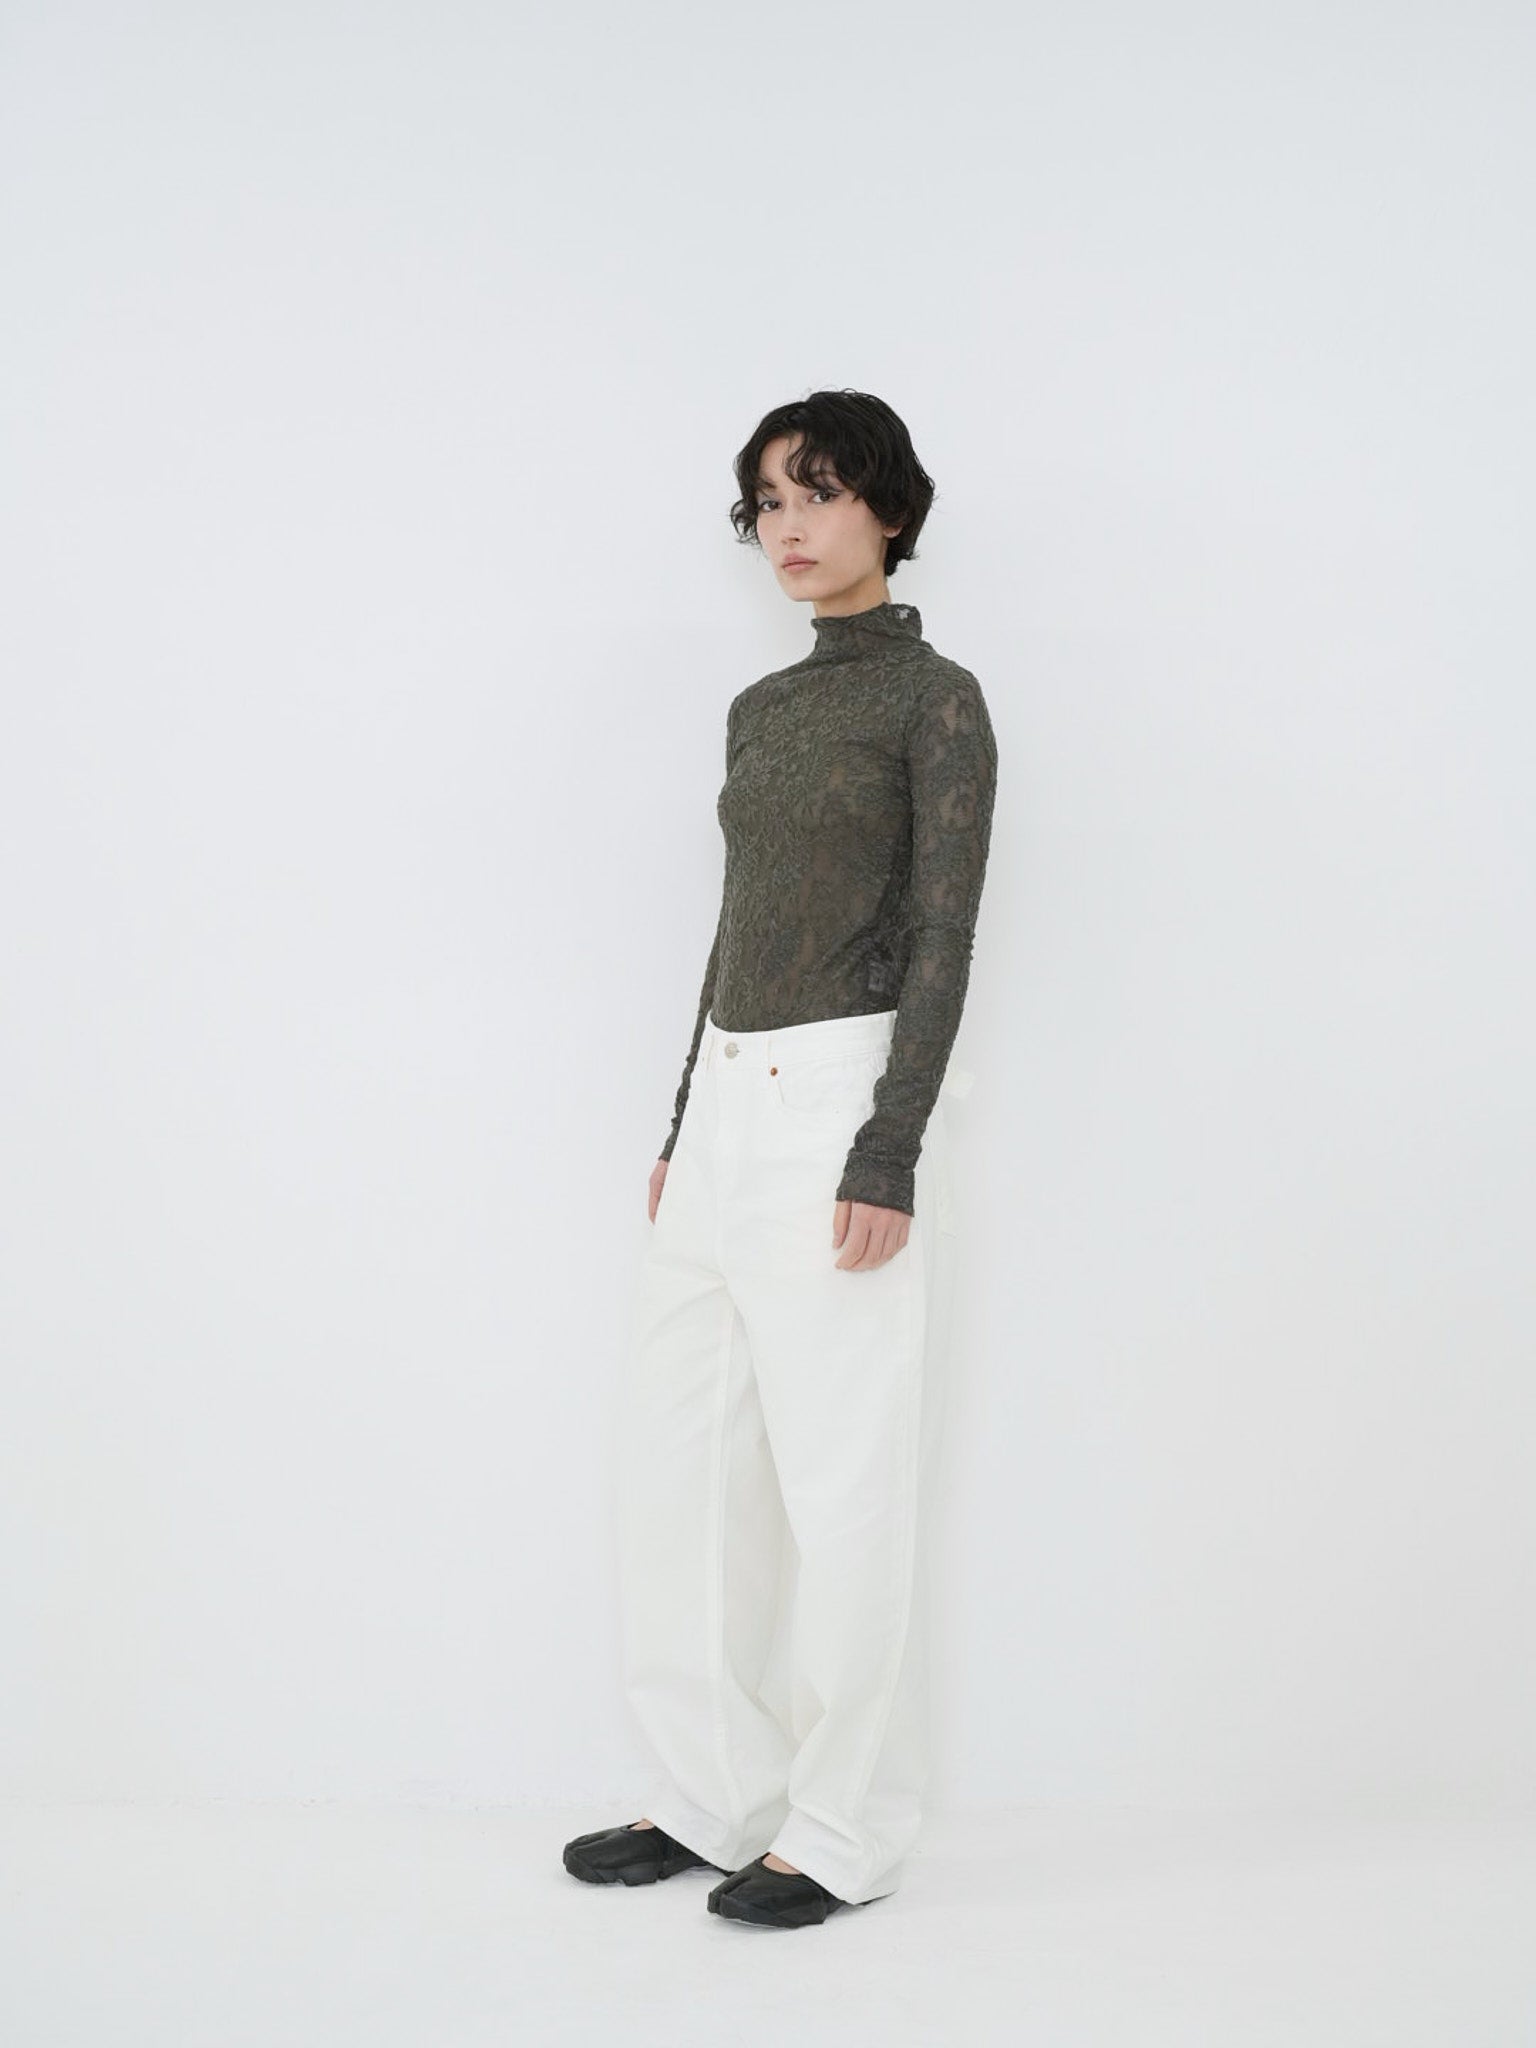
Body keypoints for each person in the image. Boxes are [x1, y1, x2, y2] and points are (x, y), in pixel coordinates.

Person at [563, 389, 998, 1928]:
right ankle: (708, 1793)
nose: (790, 527)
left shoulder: (936, 701)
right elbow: (735, 923)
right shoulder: (760, 708)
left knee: (844, 1478)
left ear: (891, 508)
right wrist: (684, 1123)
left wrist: (890, 1146)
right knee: (679, 1468)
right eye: (768, 502)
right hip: (727, 1113)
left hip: (835, 1104)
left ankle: (845, 1827)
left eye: (821, 493)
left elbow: (943, 931)